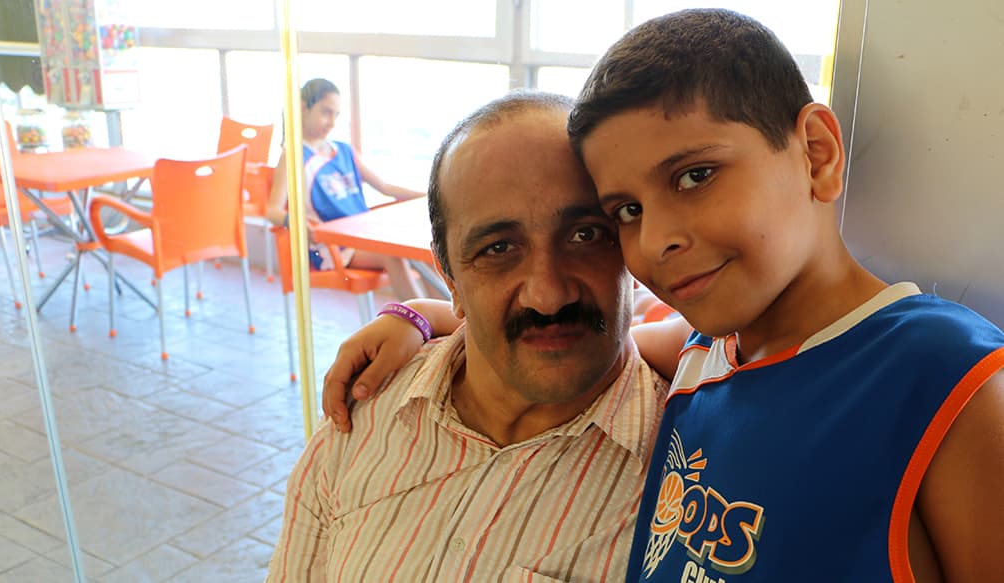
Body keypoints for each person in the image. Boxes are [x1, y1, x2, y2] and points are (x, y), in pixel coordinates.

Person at [321, 9, 1004, 582]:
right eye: (623, 211)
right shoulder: (705, 351)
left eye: (693, 175)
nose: (656, 241)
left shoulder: (946, 379)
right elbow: (563, 329)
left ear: (816, 154)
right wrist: (423, 314)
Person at [265, 91, 670, 581]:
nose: (548, 296)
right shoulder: (361, 423)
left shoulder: (694, 482)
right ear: (450, 276)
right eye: (498, 248)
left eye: (586, 235)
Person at [267, 77, 428, 300]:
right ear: (304, 108)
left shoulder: (343, 150)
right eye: (326, 112)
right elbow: (272, 210)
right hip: (333, 247)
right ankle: (432, 328)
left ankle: (452, 324)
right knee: (394, 255)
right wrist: (293, 221)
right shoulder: (293, 157)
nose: (332, 122)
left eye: (336, 114)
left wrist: (431, 197)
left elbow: (384, 186)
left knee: (427, 252)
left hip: (363, 236)